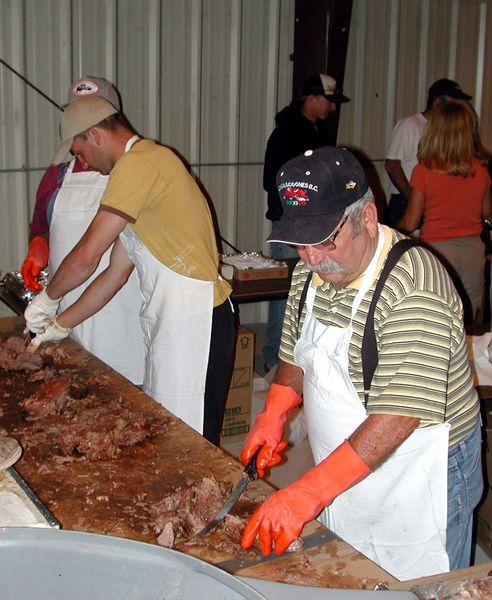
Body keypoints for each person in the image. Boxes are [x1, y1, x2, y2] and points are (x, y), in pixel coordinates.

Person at [239, 146, 483, 580]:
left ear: (367, 218)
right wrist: (274, 412)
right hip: (350, 455)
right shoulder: (311, 270)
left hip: (422, 466)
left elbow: (397, 416)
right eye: (300, 241)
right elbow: (296, 349)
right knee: (357, 573)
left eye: (325, 239)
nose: (312, 258)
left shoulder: (415, 287)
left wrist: (307, 493)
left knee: (422, 583)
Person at [24, 96, 236, 446]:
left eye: (79, 152)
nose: (84, 162)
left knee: (191, 447)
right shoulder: (141, 168)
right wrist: (62, 324)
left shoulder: (140, 164)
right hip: (173, 323)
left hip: (199, 320)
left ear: (95, 135)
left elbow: (86, 257)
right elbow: (113, 275)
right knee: (168, 437)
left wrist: (48, 299)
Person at [21, 76, 145, 385]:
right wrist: (39, 245)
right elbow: (41, 221)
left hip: (121, 308)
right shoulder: (58, 173)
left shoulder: (136, 170)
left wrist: (46, 299)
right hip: (67, 308)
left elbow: (93, 257)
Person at [262, 73, 350, 372]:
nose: (333, 108)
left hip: (312, 227)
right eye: (329, 100)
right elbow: (271, 182)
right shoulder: (288, 134)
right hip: (294, 227)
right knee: (287, 294)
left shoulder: (314, 132)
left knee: (304, 292)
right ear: (311, 98)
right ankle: (276, 359)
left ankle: (298, 359)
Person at [398, 101, 491, 324]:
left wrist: (387, 233)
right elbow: (487, 214)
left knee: (439, 316)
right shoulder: (480, 170)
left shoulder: (424, 171)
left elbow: (410, 223)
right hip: (472, 251)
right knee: (470, 319)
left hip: (437, 252)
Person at [385, 78, 473, 228]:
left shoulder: (444, 131)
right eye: (453, 105)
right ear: (438, 102)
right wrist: (413, 196)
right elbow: (392, 165)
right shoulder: (410, 125)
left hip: (429, 202)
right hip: (405, 201)